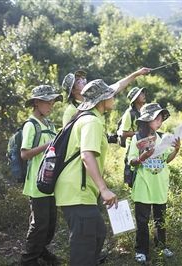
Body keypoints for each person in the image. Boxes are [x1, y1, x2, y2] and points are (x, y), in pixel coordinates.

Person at [54, 79, 119, 266]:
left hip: (81, 192)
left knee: (98, 233)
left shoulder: (87, 118)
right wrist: (104, 189)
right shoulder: (91, 121)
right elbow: (87, 155)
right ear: (101, 100)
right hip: (77, 192)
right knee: (84, 247)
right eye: (109, 94)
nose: (113, 96)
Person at [128, 103, 181, 264]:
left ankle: (162, 246)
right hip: (144, 184)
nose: (160, 121)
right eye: (156, 118)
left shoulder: (162, 138)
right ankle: (141, 250)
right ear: (147, 120)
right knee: (142, 220)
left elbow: (166, 160)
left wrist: (176, 150)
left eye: (161, 118)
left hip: (160, 184)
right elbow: (131, 161)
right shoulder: (137, 139)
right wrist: (142, 157)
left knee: (161, 219)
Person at [20, 85, 63, 266]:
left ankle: (41, 250)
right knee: (39, 225)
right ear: (37, 103)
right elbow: (25, 153)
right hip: (37, 184)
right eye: (48, 102)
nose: (51, 105)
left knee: (51, 223)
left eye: (53, 102)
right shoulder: (31, 125)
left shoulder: (50, 124)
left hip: (50, 182)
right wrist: (49, 145)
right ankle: (28, 259)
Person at [61, 67, 151, 127]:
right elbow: (67, 137)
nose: (83, 81)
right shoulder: (71, 111)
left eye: (82, 78)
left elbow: (118, 85)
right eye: (78, 81)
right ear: (72, 91)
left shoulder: (95, 97)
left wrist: (138, 73)